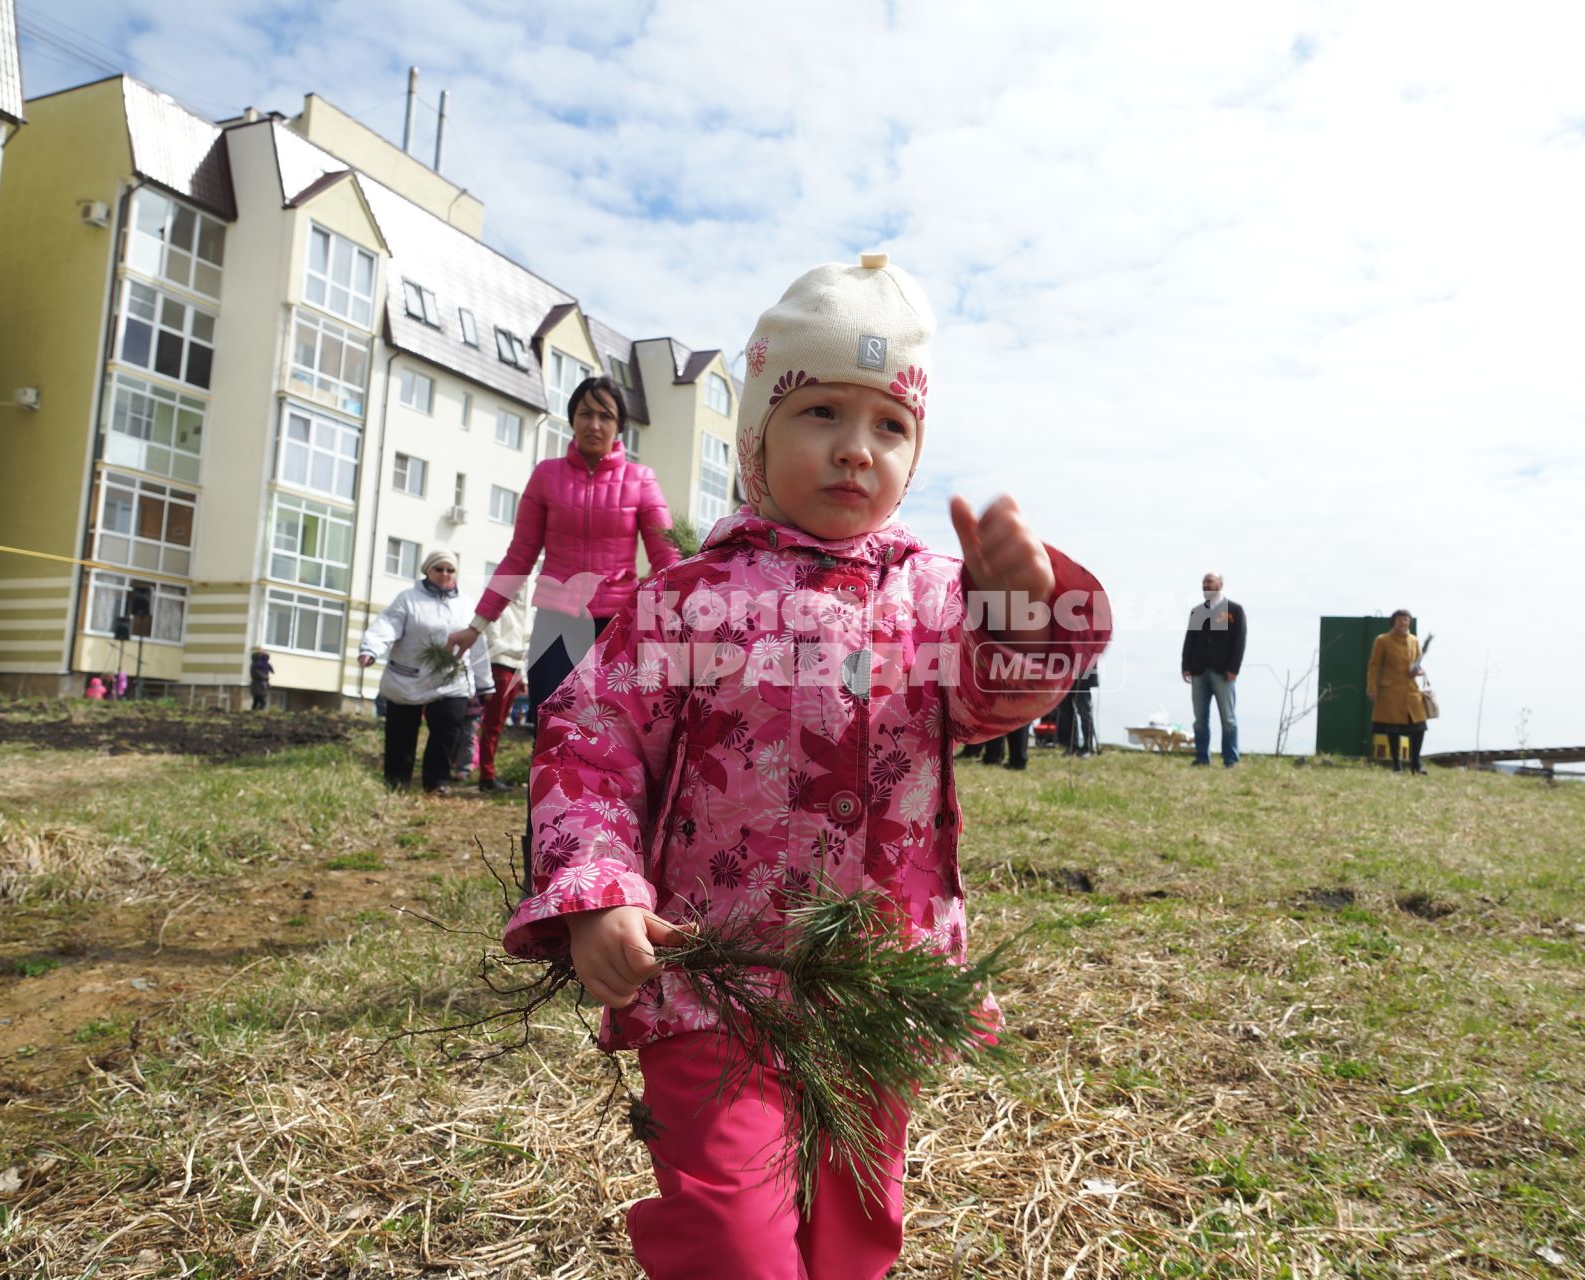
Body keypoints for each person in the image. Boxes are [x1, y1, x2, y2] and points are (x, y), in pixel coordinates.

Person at [500, 254, 1111, 1279]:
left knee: (854, 1221)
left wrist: (1021, 611)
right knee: (730, 1233)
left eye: (888, 425)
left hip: (874, 974)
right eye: (819, 411)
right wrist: (596, 890)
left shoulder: (930, 598)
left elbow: (988, 699)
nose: (853, 449)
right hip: (713, 974)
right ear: (754, 439)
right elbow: (589, 744)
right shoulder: (688, 600)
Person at [446, 376, 680, 723]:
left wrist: (678, 620)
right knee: (551, 724)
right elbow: (519, 557)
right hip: (554, 626)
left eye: (606, 416)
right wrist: (477, 625)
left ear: (620, 427)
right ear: (572, 419)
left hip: (615, 625)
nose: (595, 424)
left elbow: (667, 557)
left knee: (610, 729)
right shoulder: (546, 476)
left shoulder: (640, 479)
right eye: (585, 414)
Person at [358, 551, 494, 795]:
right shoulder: (408, 599)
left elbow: (477, 644)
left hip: (451, 681)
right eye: (439, 569)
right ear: (427, 571)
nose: (445, 574)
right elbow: (387, 625)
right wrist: (371, 649)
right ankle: (397, 782)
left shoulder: (466, 604)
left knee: (447, 731)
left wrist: (485, 684)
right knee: (401, 732)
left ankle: (437, 782)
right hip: (407, 678)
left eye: (450, 570)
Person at [1181, 572, 1245, 767]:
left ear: (1220, 583)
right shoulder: (1197, 612)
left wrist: (1233, 668)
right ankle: (1202, 757)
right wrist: (1185, 666)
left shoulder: (1233, 610)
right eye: (1203, 582)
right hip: (1199, 671)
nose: (1205, 585)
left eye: (1209, 581)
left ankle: (1230, 759)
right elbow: (1190, 640)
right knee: (1200, 718)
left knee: (1228, 718)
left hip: (1223, 672)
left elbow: (1239, 642)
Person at [473, 595, 531, 792]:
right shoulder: (497, 607)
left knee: (498, 724)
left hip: (513, 670)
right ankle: (486, 776)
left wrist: (522, 675)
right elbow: (494, 642)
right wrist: (523, 652)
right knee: (493, 724)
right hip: (500, 668)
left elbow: (520, 642)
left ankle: (489, 774)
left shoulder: (522, 610)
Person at [1367, 609, 1428, 774]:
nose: (1404, 622)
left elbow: (1417, 663)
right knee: (1392, 729)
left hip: (1411, 690)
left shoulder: (1414, 640)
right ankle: (1397, 765)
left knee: (1420, 727)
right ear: (1393, 622)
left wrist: (1418, 671)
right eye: (1400, 619)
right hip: (1391, 691)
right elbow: (1374, 665)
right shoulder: (1382, 640)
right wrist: (1372, 687)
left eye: (1407, 619)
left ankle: (1416, 764)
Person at [1056, 663, 1099, 756]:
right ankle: (1072, 746)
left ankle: (1088, 747)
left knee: (1084, 713)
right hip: (1065, 677)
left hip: (1083, 678)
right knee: (1066, 713)